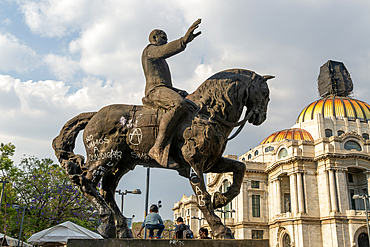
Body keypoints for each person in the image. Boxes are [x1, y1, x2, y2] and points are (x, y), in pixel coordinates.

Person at [142, 19, 202, 169]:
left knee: (190, 104)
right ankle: (158, 148)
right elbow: (166, 50)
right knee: (178, 104)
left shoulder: (161, 59)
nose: (165, 37)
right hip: (155, 91)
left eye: (166, 36)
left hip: (163, 89)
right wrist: (184, 40)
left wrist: (180, 92)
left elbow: (167, 85)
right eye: (161, 35)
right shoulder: (150, 50)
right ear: (153, 38)